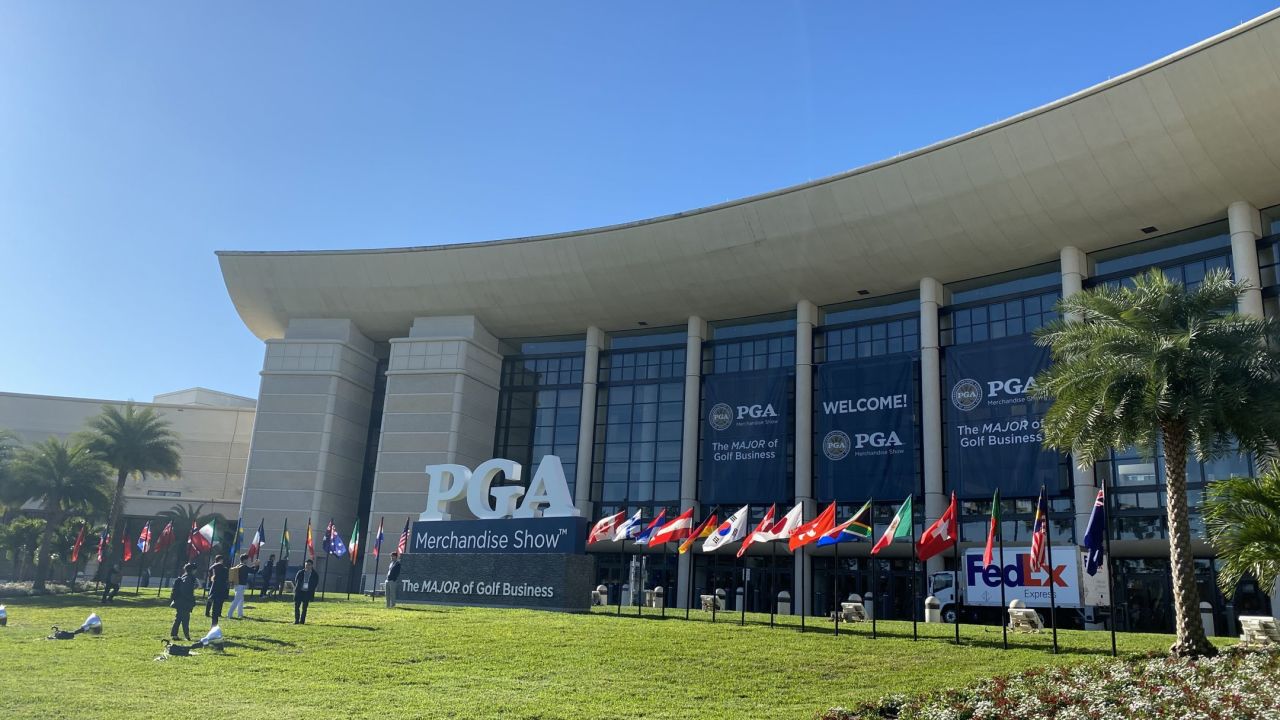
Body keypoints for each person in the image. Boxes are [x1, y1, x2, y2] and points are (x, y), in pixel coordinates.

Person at [169, 562, 199, 641]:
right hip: (184, 602)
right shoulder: (189, 578)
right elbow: (185, 590)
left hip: (179, 601)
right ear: (192, 570)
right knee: (185, 619)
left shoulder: (184, 576)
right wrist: (191, 599)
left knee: (178, 619)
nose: (196, 571)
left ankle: (174, 635)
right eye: (195, 570)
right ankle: (187, 636)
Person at [293, 559, 320, 625]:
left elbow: (315, 583)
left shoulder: (314, 574)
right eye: (306, 565)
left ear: (312, 565)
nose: (307, 566)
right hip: (300, 591)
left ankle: (302, 621)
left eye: (309, 565)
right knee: (297, 606)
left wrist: (311, 589)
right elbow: (296, 580)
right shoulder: (300, 572)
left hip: (307, 593)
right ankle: (296, 620)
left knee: (304, 608)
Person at [206, 555, 229, 626]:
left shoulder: (212, 567)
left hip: (213, 585)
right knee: (217, 604)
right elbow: (226, 577)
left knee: (210, 600)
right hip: (219, 588)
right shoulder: (223, 569)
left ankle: (207, 612)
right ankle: (216, 616)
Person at [227, 554, 251, 619]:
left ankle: (240, 614)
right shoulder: (244, 567)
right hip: (241, 585)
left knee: (241, 600)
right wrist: (257, 565)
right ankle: (229, 614)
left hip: (237, 584)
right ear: (245, 560)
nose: (247, 561)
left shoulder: (238, 566)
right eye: (247, 559)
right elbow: (253, 571)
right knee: (236, 600)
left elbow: (249, 569)